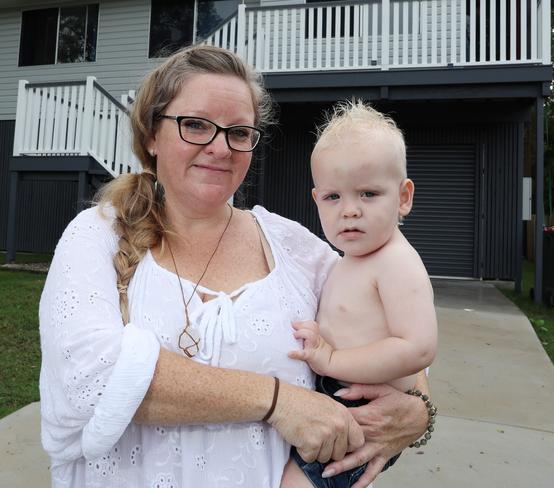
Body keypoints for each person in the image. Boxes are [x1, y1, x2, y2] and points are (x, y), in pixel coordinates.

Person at [39, 45, 432, 488]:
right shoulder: (97, 235)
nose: (220, 147)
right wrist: (279, 401)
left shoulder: (293, 247)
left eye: (239, 132)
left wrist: (417, 411)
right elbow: (89, 382)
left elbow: (393, 341)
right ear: (152, 134)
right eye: (196, 125)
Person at [282, 101, 438, 488]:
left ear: (403, 197)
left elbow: (418, 348)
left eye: (368, 194)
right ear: (317, 200)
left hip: (362, 408)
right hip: (333, 395)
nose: (349, 211)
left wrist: (333, 358)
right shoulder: (349, 258)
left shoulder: (396, 262)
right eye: (334, 197)